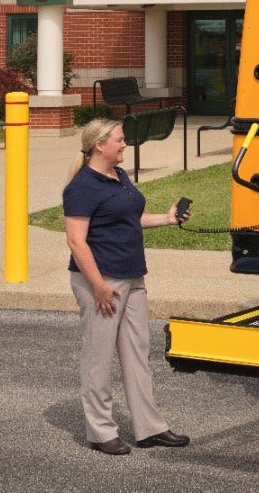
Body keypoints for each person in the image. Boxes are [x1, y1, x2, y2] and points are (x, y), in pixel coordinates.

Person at [63, 118, 192, 456]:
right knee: (98, 357)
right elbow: (76, 242)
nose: (124, 145)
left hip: (133, 277)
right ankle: (100, 431)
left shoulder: (118, 176)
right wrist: (98, 287)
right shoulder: (81, 187)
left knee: (138, 355)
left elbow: (128, 218)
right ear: (100, 145)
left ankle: (149, 428)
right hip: (101, 281)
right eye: (119, 140)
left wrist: (166, 218)